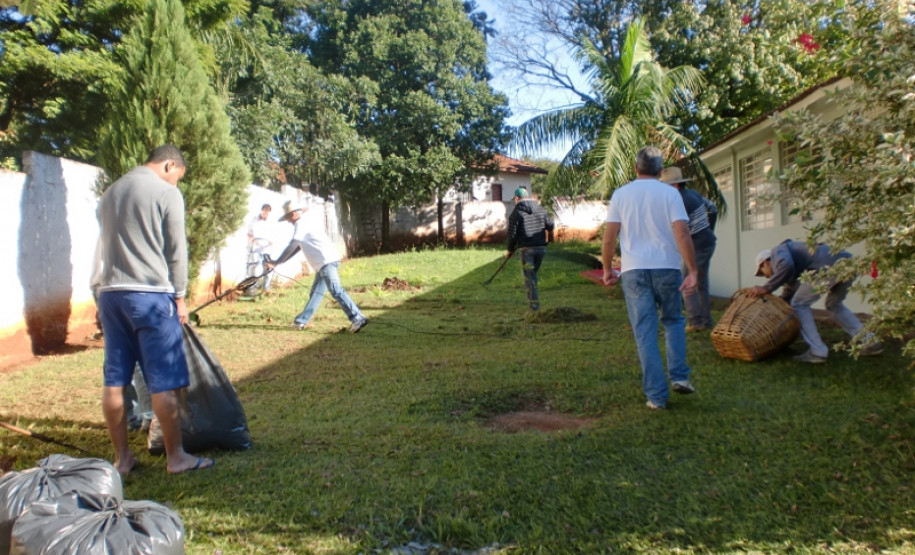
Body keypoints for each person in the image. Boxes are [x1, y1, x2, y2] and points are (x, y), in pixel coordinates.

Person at [93, 144, 213, 474]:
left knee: (115, 379)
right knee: (164, 379)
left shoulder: (110, 193)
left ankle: (122, 459)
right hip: (149, 295)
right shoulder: (165, 192)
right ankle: (177, 457)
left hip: (110, 295)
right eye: (177, 177)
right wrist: (180, 296)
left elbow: (104, 247)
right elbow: (177, 249)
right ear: (169, 165)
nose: (176, 183)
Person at [602, 146, 699, 410]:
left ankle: (657, 397)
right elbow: (682, 232)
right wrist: (693, 270)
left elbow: (609, 238)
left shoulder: (621, 195)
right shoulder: (670, 193)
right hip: (667, 268)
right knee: (673, 321)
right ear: (660, 171)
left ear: (636, 168)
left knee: (645, 331)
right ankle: (679, 377)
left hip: (634, 271)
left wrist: (608, 269)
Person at [748, 239, 883, 363]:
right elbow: (789, 292)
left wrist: (766, 288)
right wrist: (774, 306)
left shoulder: (777, 251)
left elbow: (786, 266)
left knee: (799, 305)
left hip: (827, 267)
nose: (766, 277)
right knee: (833, 305)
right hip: (847, 264)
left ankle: (817, 352)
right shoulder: (792, 265)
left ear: (766, 262)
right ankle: (870, 341)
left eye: (762, 272)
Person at [266, 201, 368, 333]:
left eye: (288, 217)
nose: (288, 221)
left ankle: (358, 318)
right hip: (324, 263)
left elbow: (294, 244)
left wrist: (277, 262)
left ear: (293, 215)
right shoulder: (305, 223)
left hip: (326, 261)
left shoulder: (301, 224)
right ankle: (301, 322)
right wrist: (279, 262)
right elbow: (297, 247)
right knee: (316, 293)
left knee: (335, 290)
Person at [660, 166, 718, 332]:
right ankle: (706, 320)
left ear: (675, 185)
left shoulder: (679, 201)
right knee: (701, 283)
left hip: (697, 246)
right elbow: (713, 208)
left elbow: (680, 231)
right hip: (708, 242)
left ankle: (695, 321)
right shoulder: (693, 194)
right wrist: (708, 229)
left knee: (687, 282)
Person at [505, 187, 555, 311]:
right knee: (532, 276)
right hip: (541, 248)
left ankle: (534, 309)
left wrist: (510, 250)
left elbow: (512, 235)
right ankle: (534, 305)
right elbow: (550, 225)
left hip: (527, 249)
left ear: (517, 198)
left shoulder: (516, 212)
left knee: (529, 278)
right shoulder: (540, 208)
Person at [246, 203, 274, 292]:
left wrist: (271, 242)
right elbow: (249, 234)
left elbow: (274, 235)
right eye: (265, 210)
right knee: (255, 267)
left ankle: (266, 289)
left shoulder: (270, 222)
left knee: (268, 267)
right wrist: (253, 240)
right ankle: (253, 289)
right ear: (262, 210)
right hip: (256, 246)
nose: (266, 212)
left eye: (268, 211)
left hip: (267, 247)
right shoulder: (254, 220)